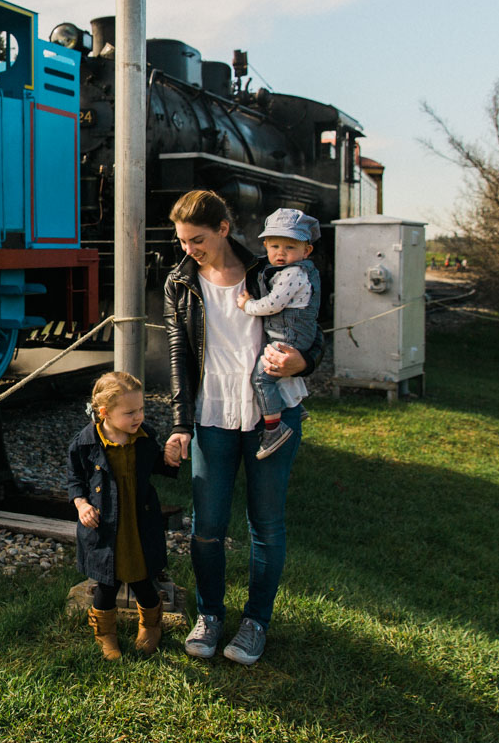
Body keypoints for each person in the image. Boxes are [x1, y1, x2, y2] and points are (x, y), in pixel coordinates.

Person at [163, 189, 322, 667]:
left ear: (224, 229)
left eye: (197, 239)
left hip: (271, 412)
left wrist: (304, 363)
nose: (189, 248)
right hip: (212, 412)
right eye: (182, 240)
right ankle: (210, 616)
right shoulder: (180, 281)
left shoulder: (274, 270)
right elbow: (178, 352)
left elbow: (313, 333)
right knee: (207, 526)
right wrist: (178, 423)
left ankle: (255, 623)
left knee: (266, 525)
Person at [67, 370, 180, 660]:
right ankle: (105, 634)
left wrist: (170, 455)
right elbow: (75, 481)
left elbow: (160, 466)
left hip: (138, 524)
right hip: (106, 527)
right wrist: (82, 505)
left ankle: (151, 625)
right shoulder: (85, 443)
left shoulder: (144, 437)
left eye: (141, 409)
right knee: (106, 583)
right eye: (130, 412)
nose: (138, 416)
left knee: (144, 579)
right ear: (104, 412)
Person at [236, 208, 322, 460]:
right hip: (291, 333)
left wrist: (246, 305)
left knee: (262, 378)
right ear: (265, 245)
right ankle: (293, 403)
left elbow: (272, 305)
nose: (281, 253)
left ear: (306, 251)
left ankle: (274, 429)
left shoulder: (294, 274)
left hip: (290, 337)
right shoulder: (297, 270)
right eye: (274, 246)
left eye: (290, 247)